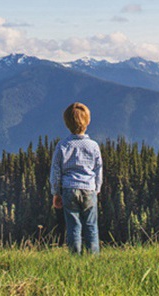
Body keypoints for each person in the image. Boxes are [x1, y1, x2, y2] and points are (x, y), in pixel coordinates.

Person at [50, 102, 103, 254]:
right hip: (89, 189)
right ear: (88, 122)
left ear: (66, 123)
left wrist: (56, 192)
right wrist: (96, 188)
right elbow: (98, 169)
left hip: (69, 189)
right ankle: (93, 258)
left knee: (74, 226)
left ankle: (75, 257)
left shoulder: (63, 145)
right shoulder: (93, 146)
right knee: (91, 225)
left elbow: (56, 170)